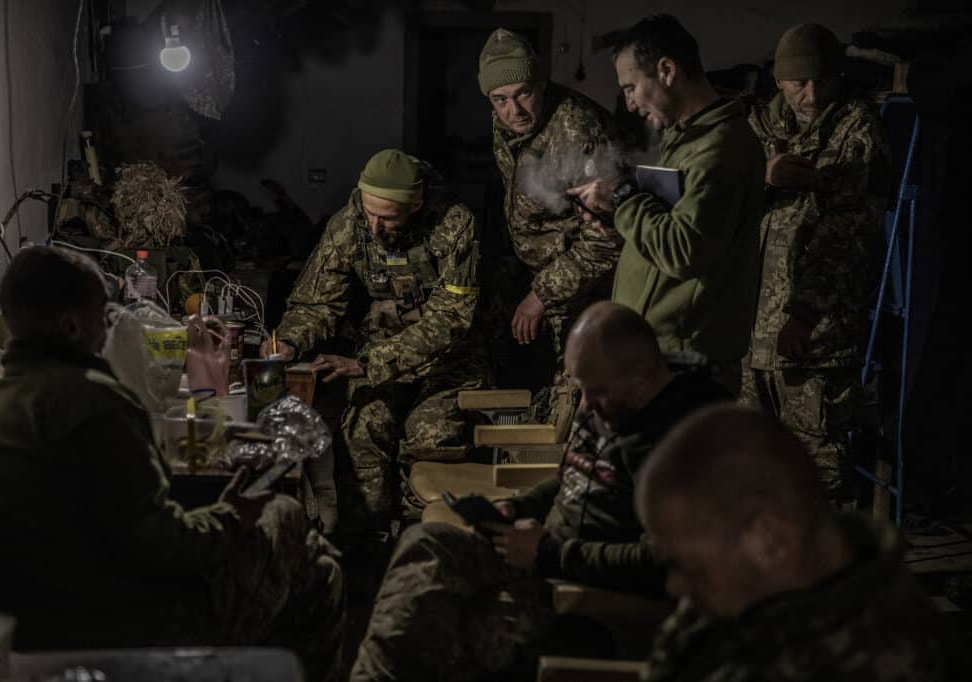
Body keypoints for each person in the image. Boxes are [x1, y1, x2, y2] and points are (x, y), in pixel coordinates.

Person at [0, 247, 342, 682]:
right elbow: (162, 545)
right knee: (299, 538)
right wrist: (231, 516)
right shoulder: (95, 403)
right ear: (71, 325)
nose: (108, 330)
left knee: (301, 555)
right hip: (128, 624)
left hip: (34, 619)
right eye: (103, 318)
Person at [349, 301, 731, 682]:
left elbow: (665, 561)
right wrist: (518, 507)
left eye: (595, 393)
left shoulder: (691, 437)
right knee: (425, 542)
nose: (586, 409)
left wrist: (548, 554)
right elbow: (571, 476)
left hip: (591, 593)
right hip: (542, 558)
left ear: (641, 375)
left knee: (447, 618)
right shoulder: (615, 402)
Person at [636, 404, 963, 681]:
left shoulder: (881, 660)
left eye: (687, 566)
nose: (674, 586)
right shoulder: (744, 591)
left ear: (769, 539)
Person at [264, 149, 486, 536]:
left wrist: (366, 364)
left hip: (449, 359)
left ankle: (429, 539)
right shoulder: (350, 225)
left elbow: (451, 319)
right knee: (361, 431)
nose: (376, 228)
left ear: (416, 204)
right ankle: (366, 546)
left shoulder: (455, 225)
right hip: (382, 353)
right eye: (370, 214)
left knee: (429, 433)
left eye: (388, 217)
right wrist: (288, 342)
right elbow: (317, 301)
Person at [569, 14, 765, 394]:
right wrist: (618, 219)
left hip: (685, 363)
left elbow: (683, 250)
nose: (628, 104)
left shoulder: (719, 149)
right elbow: (670, 228)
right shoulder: (685, 140)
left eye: (631, 88)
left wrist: (623, 199)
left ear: (666, 71)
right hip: (659, 353)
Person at [742, 24, 891, 504]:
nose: (811, 95)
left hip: (813, 331)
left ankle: (822, 570)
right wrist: (763, 179)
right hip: (748, 329)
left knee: (815, 465)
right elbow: (716, 206)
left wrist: (805, 313)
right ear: (778, 81)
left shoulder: (857, 128)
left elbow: (849, 235)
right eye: (798, 83)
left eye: (823, 82)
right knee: (749, 457)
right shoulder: (756, 129)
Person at [479, 27, 626, 383]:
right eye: (500, 100)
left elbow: (608, 242)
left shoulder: (579, 132)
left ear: (541, 84)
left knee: (577, 389)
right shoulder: (507, 125)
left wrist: (541, 296)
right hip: (532, 271)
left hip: (583, 287)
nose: (514, 110)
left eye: (523, 94)